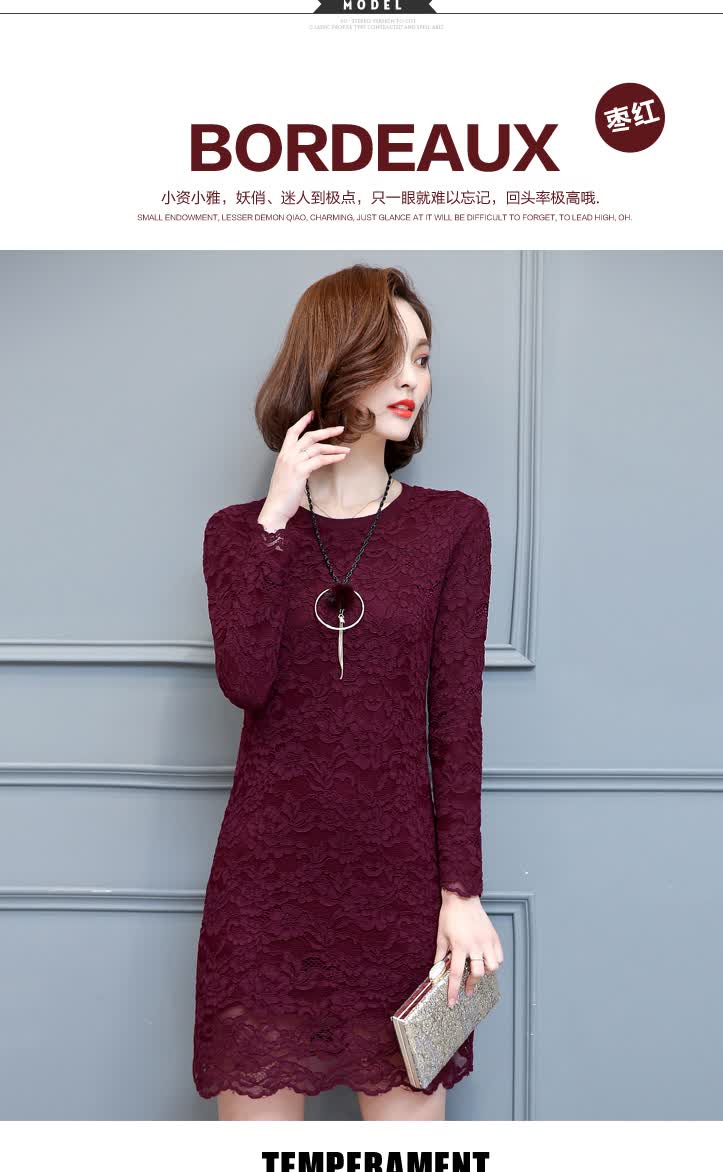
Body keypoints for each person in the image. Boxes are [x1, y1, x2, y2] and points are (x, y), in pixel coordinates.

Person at [192, 263, 503, 1121]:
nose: (413, 379)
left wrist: (462, 893)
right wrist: (276, 517)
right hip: (266, 890)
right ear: (333, 361)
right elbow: (245, 681)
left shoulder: (453, 526)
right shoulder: (238, 534)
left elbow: (457, 725)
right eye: (390, 355)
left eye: (423, 358)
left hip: (399, 892)